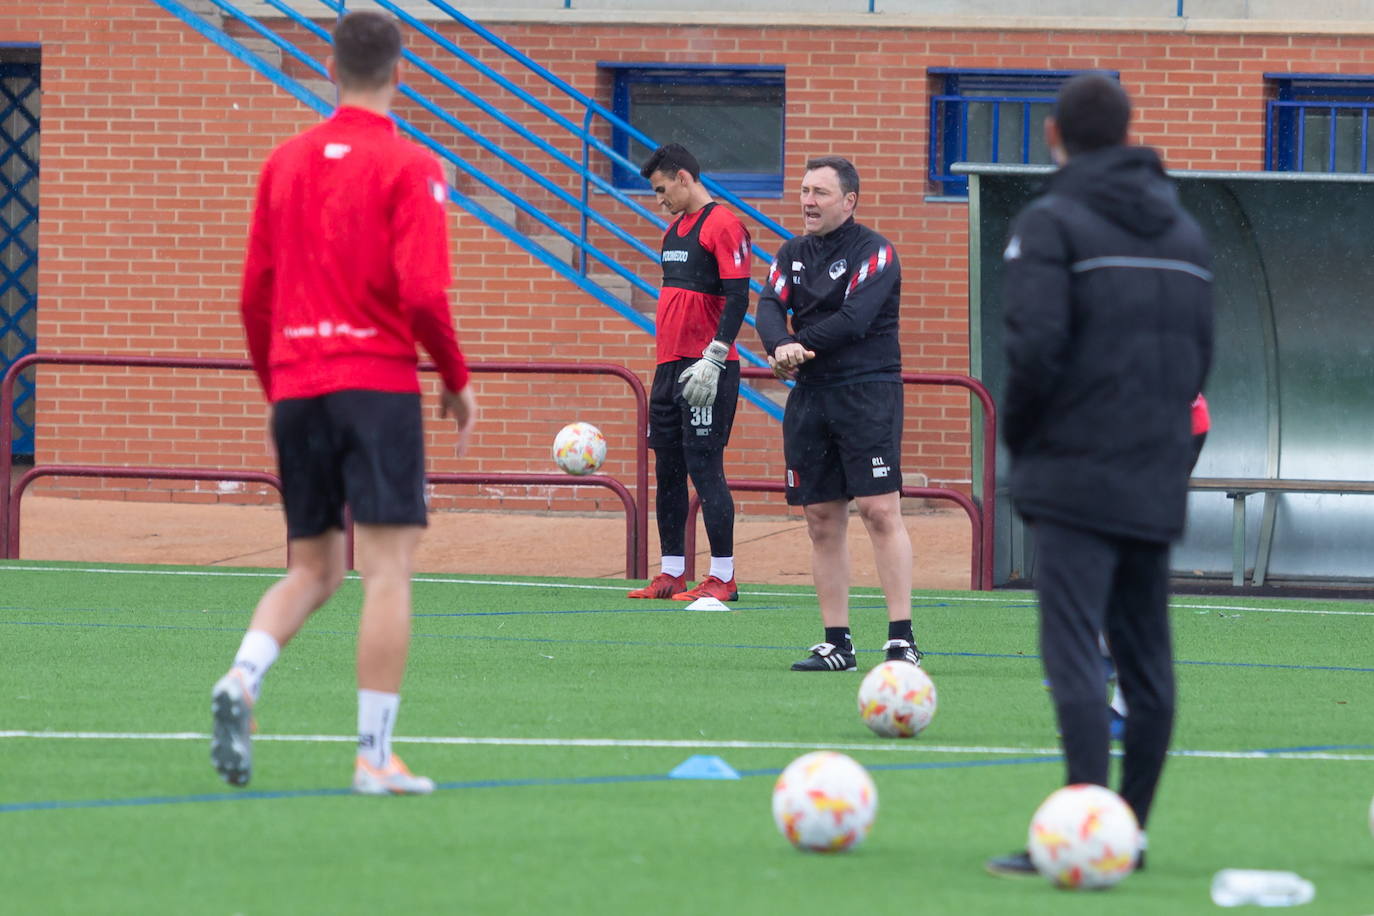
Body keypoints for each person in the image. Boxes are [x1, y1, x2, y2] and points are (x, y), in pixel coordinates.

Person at [211, 10, 477, 796]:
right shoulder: (412, 163)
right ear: (401, 73)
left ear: (330, 69)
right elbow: (424, 291)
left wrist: (277, 386)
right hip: (375, 384)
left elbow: (253, 297)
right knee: (387, 570)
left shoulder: (284, 162)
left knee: (313, 567)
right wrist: (455, 380)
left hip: (299, 386)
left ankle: (242, 676)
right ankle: (373, 756)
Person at [987, 73, 1212, 876]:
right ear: (1126, 133)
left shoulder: (1052, 221)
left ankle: (1087, 829)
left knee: (1074, 649)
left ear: (1055, 135)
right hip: (1155, 469)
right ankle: (1133, 832)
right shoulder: (1184, 232)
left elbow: (1034, 349)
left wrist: (1022, 442)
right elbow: (1199, 355)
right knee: (1147, 656)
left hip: (1075, 472)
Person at [754, 156, 924, 671]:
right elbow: (767, 304)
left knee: (879, 511)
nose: (808, 201)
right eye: (805, 190)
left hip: (866, 393)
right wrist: (780, 342)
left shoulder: (876, 251)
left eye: (820, 193)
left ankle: (901, 639)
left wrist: (794, 347)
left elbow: (854, 320)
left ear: (848, 201)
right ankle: (837, 643)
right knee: (821, 520)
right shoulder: (791, 252)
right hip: (811, 397)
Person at [626, 144, 752, 603]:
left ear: (683, 177)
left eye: (662, 190)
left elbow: (738, 297)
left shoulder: (723, 224)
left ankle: (723, 576)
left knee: (705, 467)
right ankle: (672, 572)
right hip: (668, 368)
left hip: (708, 369)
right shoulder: (673, 230)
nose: (660, 200)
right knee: (669, 470)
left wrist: (715, 356)